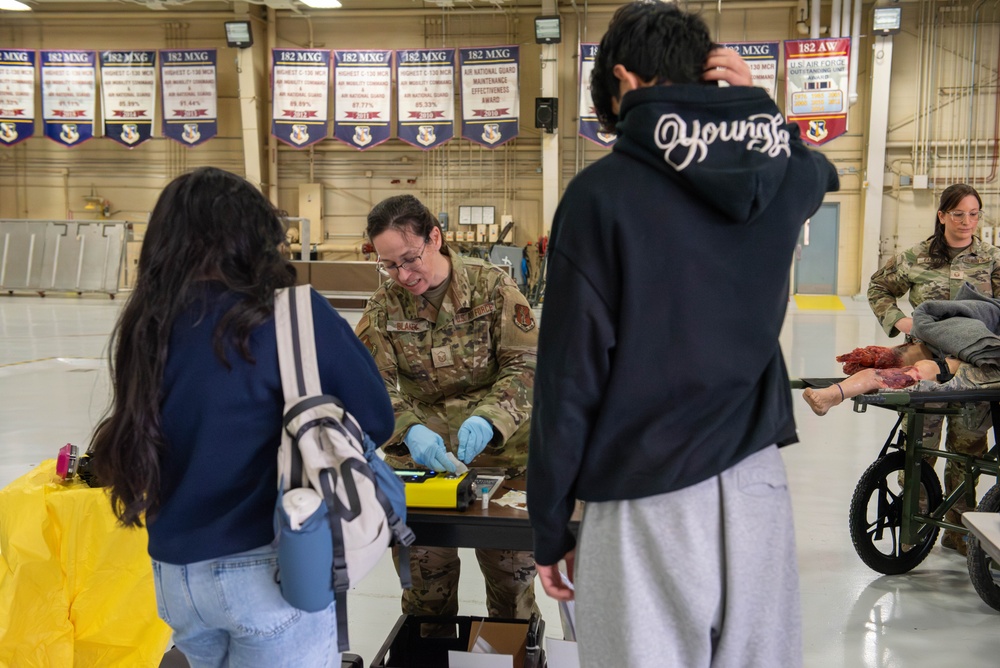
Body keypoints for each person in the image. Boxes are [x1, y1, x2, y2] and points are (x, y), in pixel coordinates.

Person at [526, 3, 839, 667]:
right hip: (756, 484)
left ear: (623, 82)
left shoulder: (600, 196)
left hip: (645, 495)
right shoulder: (777, 173)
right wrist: (761, 111)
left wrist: (550, 524)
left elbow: (568, 378)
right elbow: (822, 173)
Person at [89, 167, 394, 667]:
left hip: (174, 575)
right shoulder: (291, 314)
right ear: (254, 234)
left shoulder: (148, 324)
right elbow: (377, 419)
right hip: (268, 567)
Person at [354, 194, 539, 621]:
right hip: (425, 469)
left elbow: (527, 363)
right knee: (426, 598)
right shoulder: (383, 307)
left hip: (504, 462)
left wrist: (491, 419)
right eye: (389, 265)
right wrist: (406, 429)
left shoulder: (492, 286)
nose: (402, 274)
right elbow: (369, 388)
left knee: (513, 597)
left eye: (409, 259)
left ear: (434, 237)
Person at [868, 183, 1000, 554]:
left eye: (974, 214)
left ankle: (958, 532)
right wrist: (900, 322)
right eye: (958, 214)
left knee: (967, 450)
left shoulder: (991, 259)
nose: (967, 222)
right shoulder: (915, 257)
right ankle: (914, 526)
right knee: (919, 449)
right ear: (942, 215)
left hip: (971, 369)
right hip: (924, 364)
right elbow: (879, 287)